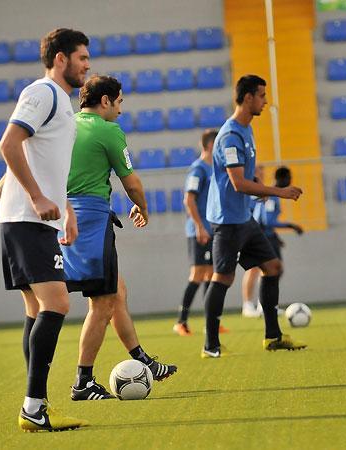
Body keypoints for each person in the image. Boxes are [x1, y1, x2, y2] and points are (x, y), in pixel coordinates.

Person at [0, 29, 90, 432]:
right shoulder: (43, 93)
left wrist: (65, 209)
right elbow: (8, 144)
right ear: (60, 59)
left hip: (31, 217)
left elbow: (32, 158)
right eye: (81, 57)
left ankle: (37, 405)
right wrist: (38, 198)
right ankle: (33, 406)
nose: (87, 65)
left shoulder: (61, 102)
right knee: (58, 303)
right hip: (28, 218)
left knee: (37, 309)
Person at [61, 75, 177, 401]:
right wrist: (142, 207)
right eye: (120, 102)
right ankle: (83, 381)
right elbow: (132, 182)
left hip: (63, 217)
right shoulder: (108, 130)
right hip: (90, 221)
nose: (121, 110)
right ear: (106, 101)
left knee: (116, 291)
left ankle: (143, 360)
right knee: (102, 302)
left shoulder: (64, 125)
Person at [201, 74, 307, 358]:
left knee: (272, 267)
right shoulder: (231, 135)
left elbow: (244, 177)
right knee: (223, 278)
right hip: (227, 221)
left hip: (243, 218)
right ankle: (210, 345)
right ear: (247, 98)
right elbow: (237, 183)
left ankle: (273, 337)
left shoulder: (246, 130)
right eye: (261, 95)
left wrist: (257, 187)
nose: (265, 101)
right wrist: (277, 191)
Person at [173, 129, 222, 336]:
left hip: (212, 230)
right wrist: (199, 227)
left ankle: (211, 323)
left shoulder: (213, 168)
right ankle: (181, 322)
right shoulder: (198, 169)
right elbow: (189, 199)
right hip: (199, 231)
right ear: (211, 145)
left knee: (211, 274)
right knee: (198, 274)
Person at [241, 166, 304, 317]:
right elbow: (267, 220)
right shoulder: (272, 196)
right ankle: (260, 305)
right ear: (283, 178)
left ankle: (264, 305)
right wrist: (291, 225)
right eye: (289, 177)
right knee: (271, 269)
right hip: (263, 237)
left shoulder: (270, 194)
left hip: (265, 236)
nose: (290, 180)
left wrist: (276, 237)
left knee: (271, 270)